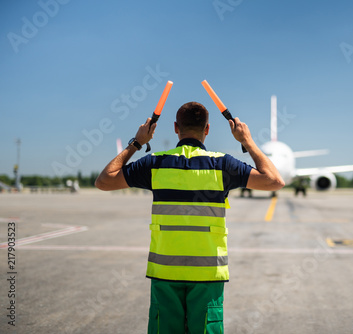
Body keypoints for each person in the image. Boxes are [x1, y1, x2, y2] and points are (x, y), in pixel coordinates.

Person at [95, 101, 284, 333]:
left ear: (176, 128)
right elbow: (275, 181)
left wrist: (137, 143)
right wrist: (247, 140)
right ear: (207, 129)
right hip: (207, 274)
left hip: (165, 273)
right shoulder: (222, 165)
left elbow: (104, 181)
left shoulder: (155, 163)